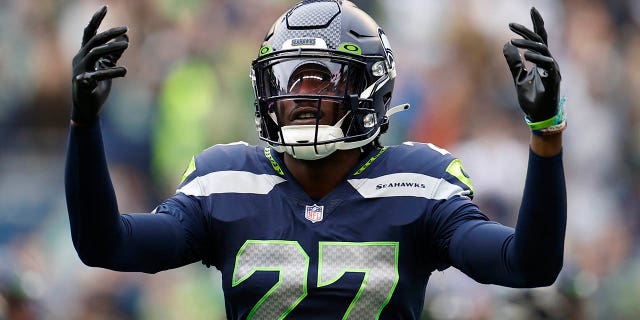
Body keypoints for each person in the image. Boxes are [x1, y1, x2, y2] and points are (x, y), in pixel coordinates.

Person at [65, 1, 566, 319]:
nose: (299, 97)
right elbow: (106, 245)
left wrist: (545, 134)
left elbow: (527, 265)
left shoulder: (420, 184)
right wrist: (84, 127)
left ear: (374, 90)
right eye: (288, 80)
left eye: (322, 78)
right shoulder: (226, 181)